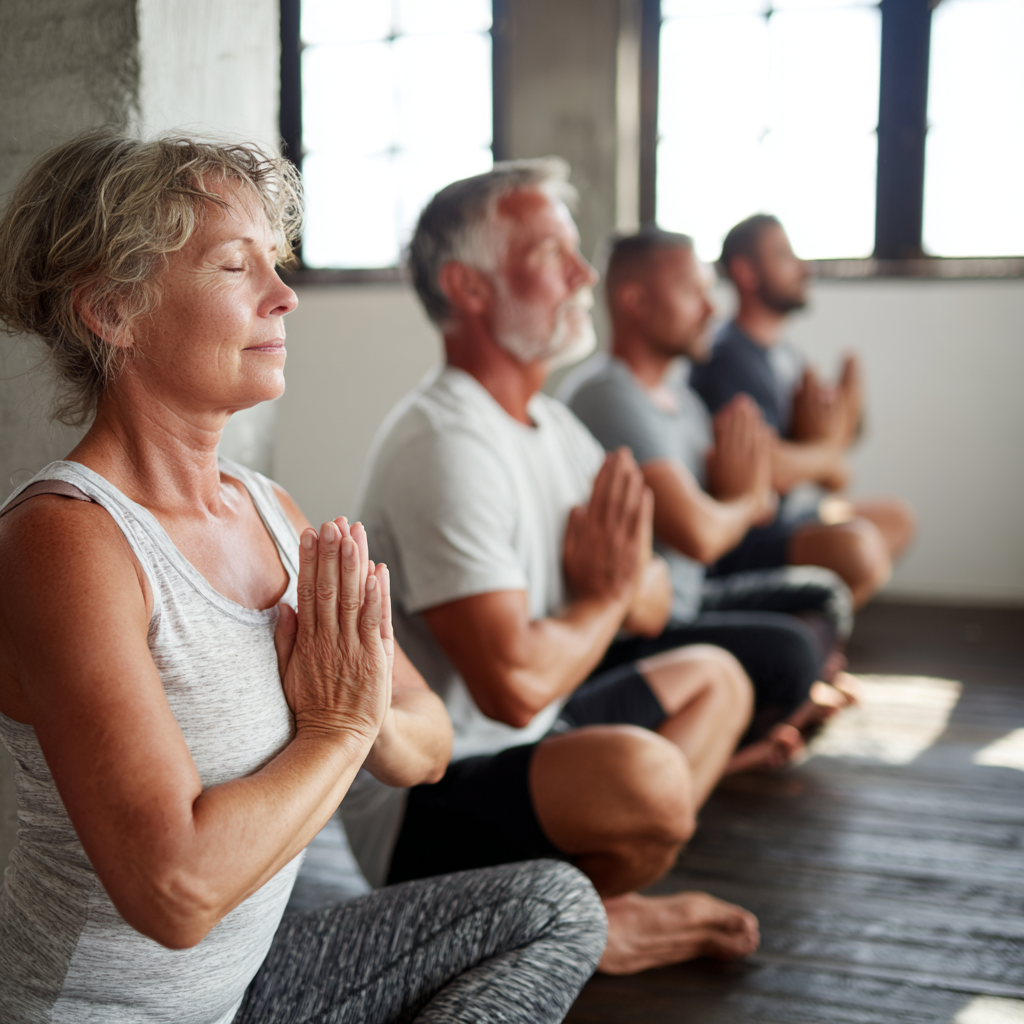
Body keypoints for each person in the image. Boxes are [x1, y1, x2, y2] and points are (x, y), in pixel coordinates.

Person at [0, 129, 606, 1024]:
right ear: (113, 310)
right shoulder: (65, 543)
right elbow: (174, 891)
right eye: (235, 268)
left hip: (241, 995)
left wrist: (362, 722)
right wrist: (341, 726)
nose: (284, 297)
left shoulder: (272, 512)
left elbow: (429, 740)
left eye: (275, 264)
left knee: (553, 907)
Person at [346, 159, 761, 976]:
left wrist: (611, 596)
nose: (583, 276)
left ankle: (580, 915)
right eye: (549, 254)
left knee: (721, 677)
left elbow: (647, 604)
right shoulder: (446, 443)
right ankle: (561, 919)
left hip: (539, 738)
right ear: (467, 286)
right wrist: (603, 595)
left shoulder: (550, 425)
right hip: (426, 803)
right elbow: (514, 685)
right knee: (648, 780)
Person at [560, 227, 857, 758]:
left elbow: (756, 499)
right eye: (691, 292)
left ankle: (761, 721)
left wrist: (743, 497)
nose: (710, 310)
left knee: (824, 595)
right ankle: (739, 751)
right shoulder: (607, 394)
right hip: (637, 630)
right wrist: (740, 500)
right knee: (789, 653)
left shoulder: (681, 396)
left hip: (692, 598)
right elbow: (700, 531)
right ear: (635, 301)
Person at [690, 214, 917, 607]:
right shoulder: (725, 356)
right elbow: (767, 468)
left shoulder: (787, 356)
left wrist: (835, 437)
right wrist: (829, 453)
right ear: (746, 271)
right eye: (784, 255)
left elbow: (833, 476)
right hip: (748, 532)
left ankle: (817, 623)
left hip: (794, 515)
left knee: (897, 519)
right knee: (857, 548)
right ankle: (808, 630)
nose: (803, 267)